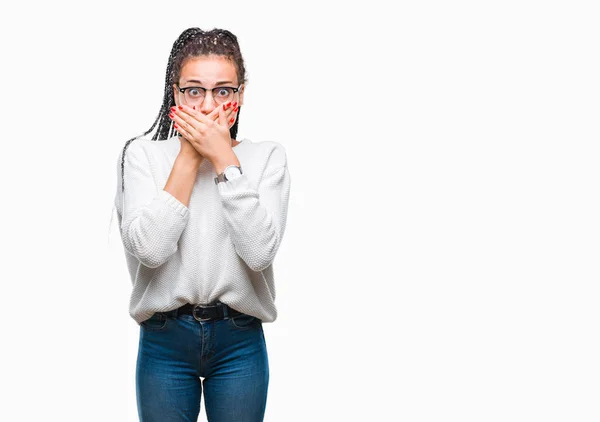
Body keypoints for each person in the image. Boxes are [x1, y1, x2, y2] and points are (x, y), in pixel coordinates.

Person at [113, 27, 291, 422]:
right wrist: (192, 157)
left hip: (239, 340)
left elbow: (260, 252)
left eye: (222, 90)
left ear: (240, 95)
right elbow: (151, 250)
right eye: (194, 90)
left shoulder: (267, 158)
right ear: (176, 95)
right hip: (164, 340)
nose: (208, 105)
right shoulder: (142, 156)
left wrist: (224, 159)